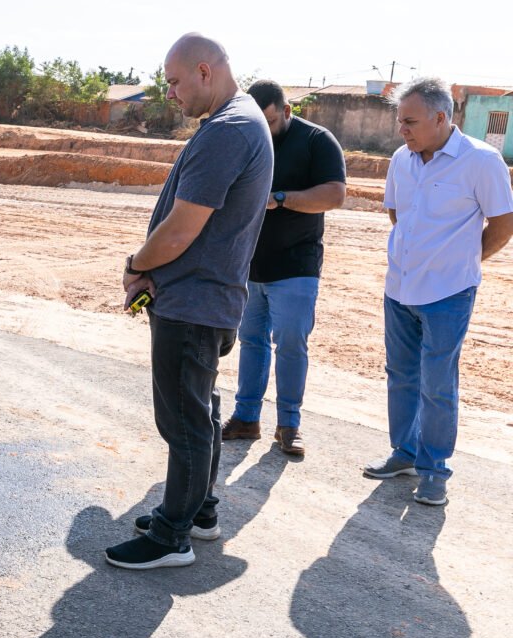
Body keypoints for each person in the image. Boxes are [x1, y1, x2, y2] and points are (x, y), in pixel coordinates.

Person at [104, 33, 273, 570]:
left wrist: (138, 265)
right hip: (206, 299)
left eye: (175, 82)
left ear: (205, 71)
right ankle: (199, 512)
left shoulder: (228, 131)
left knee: (184, 421)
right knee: (200, 410)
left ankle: (171, 537)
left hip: (194, 304)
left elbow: (180, 231)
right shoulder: (238, 122)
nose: (171, 94)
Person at [363, 77, 513, 505]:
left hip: (449, 294)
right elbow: (397, 212)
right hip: (399, 289)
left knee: (437, 384)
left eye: (409, 121)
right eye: (399, 121)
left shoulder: (481, 162)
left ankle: (435, 470)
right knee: (401, 376)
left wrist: (461, 263)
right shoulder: (400, 159)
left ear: (441, 118)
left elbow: (503, 225)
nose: (401, 130)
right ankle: (404, 453)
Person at [219, 80, 347, 456]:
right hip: (249, 263)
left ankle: (289, 425)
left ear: (287, 111)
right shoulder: (247, 137)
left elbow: (335, 194)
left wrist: (279, 198)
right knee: (251, 342)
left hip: (296, 265)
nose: (265, 128)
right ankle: (246, 419)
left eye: (271, 121)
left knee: (290, 345)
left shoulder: (317, 141)